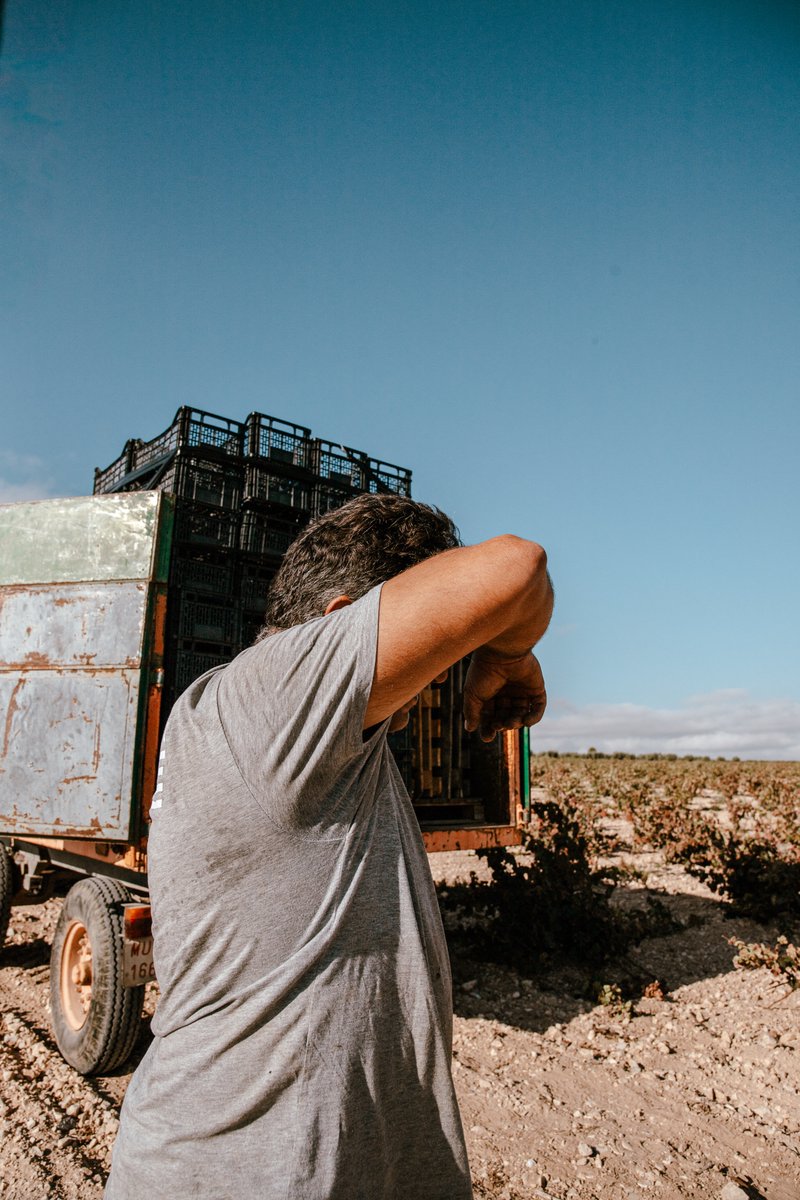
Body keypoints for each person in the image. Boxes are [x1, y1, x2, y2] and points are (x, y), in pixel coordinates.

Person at [105, 493, 553, 1200]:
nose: (436, 674)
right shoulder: (277, 692)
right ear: (339, 624)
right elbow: (517, 570)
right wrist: (510, 649)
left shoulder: (284, 730)